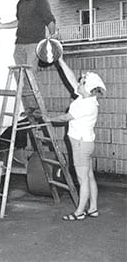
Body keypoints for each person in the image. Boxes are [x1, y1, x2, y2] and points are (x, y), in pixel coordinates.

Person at [44, 56, 106, 221]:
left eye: (82, 82)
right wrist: (61, 60)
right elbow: (71, 79)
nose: (79, 83)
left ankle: (79, 212)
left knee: (82, 178)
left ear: (88, 87)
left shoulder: (85, 105)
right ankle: (93, 208)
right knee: (89, 176)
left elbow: (66, 118)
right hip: (86, 143)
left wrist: (47, 118)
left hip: (80, 145)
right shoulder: (87, 97)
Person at [0, 0, 57, 71]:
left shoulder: (41, 1)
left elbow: (49, 20)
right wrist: (2, 26)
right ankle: (20, 87)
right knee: (19, 74)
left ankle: (32, 87)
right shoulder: (21, 3)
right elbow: (20, 21)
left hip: (34, 44)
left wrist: (52, 34)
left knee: (31, 75)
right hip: (20, 44)